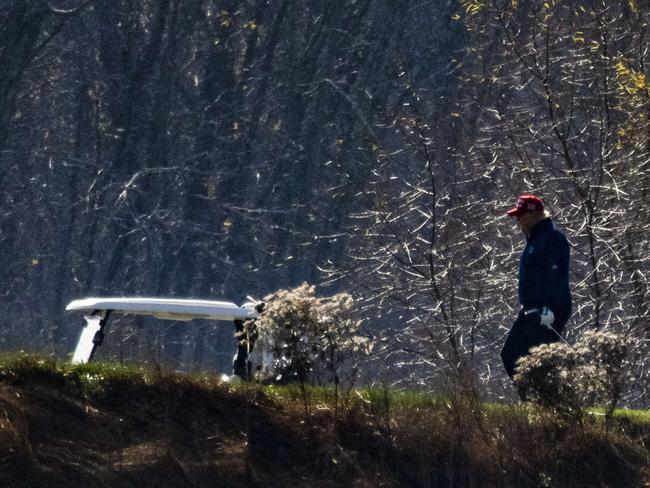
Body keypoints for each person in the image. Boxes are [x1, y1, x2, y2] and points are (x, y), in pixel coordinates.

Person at [500, 195, 572, 395]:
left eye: (521, 215)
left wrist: (549, 307)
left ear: (534, 214)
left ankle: (549, 402)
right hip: (531, 309)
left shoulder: (552, 237)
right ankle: (535, 400)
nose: (518, 220)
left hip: (549, 309)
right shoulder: (535, 238)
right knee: (511, 354)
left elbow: (557, 275)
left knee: (539, 360)